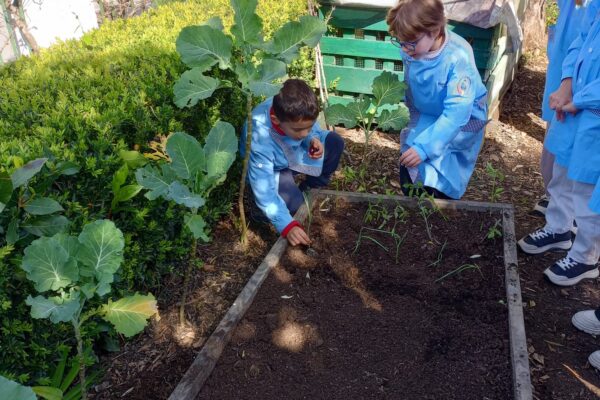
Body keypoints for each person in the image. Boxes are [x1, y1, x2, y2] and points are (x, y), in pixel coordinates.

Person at [518, 3, 600, 286]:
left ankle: (584, 257)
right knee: (562, 168)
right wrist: (566, 83)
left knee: (588, 191)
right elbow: (582, 39)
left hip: (592, 111)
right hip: (576, 103)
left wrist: (580, 100)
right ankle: (559, 228)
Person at [386, 0, 488, 200]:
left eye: (410, 43)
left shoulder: (457, 57)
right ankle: (414, 206)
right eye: (400, 42)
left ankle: (441, 207)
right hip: (427, 111)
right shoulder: (413, 48)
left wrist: (425, 148)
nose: (405, 49)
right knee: (411, 155)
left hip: (461, 118)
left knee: (442, 165)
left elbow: (456, 114)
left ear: (433, 31)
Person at [242, 79, 344, 246]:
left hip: (292, 155)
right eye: (298, 130)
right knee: (295, 208)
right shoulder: (259, 135)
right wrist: (287, 226)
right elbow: (264, 187)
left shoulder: (297, 113)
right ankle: (259, 213)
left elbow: (308, 130)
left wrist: (313, 138)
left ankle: (312, 187)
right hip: (272, 170)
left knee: (334, 142)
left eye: (309, 127)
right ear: (275, 120)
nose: (304, 133)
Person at [533, 0, 590, 216]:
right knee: (554, 142)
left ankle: (571, 209)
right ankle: (555, 197)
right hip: (561, 75)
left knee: (576, 147)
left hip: (586, 85)